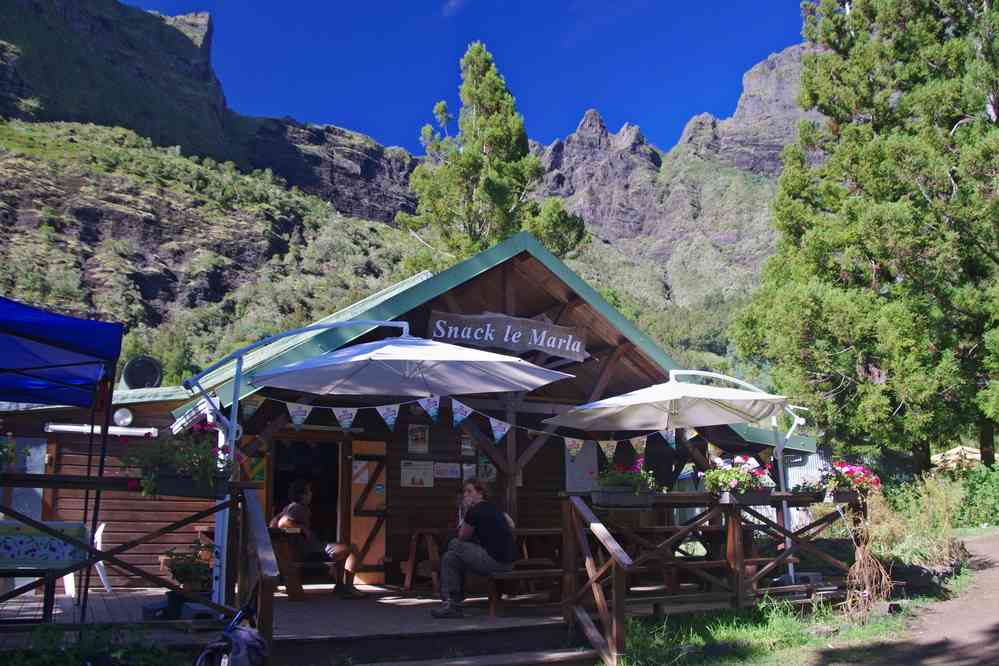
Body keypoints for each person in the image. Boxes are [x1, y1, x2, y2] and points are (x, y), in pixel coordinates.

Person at [431, 479, 515, 618]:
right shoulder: (494, 508)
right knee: (450, 558)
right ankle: (452, 605)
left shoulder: (474, 511)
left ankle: (453, 602)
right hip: (509, 563)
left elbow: (462, 536)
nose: (466, 495)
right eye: (465, 491)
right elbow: (512, 525)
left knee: (453, 544)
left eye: (470, 491)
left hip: (494, 562)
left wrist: (466, 510)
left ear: (480, 493)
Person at [270, 479, 364, 599]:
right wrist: (302, 528)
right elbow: (282, 523)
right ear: (301, 495)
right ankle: (349, 588)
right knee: (352, 549)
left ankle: (340, 587)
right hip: (311, 551)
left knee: (342, 549)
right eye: (309, 492)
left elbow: (273, 522)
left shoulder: (289, 507)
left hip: (307, 548)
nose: (311, 494)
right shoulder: (298, 507)